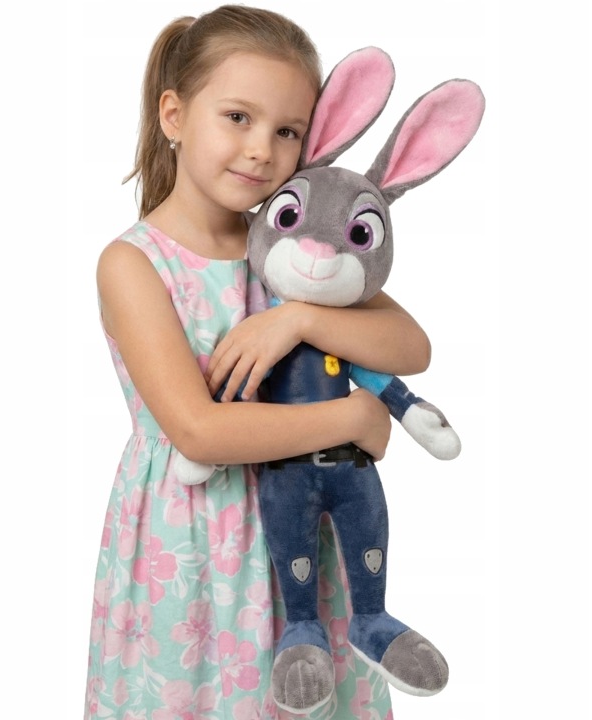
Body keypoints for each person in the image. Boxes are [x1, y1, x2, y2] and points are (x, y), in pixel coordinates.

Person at [84, 5, 431, 719]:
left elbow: (411, 347)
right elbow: (199, 430)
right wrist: (353, 418)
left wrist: (297, 318)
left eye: (287, 131)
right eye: (237, 117)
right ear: (174, 115)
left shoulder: (290, 251)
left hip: (301, 538)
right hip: (194, 545)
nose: (260, 151)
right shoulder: (133, 263)